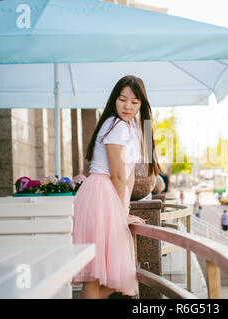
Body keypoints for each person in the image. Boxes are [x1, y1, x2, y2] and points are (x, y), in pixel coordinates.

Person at [72, 75, 163, 299]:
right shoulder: (116, 126)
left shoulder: (132, 128)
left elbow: (130, 177)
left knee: (110, 275)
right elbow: (119, 176)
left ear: (142, 104)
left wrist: (125, 210)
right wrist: (123, 214)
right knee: (98, 276)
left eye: (134, 101)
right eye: (123, 99)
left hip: (106, 195)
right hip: (102, 194)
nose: (128, 106)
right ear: (114, 99)